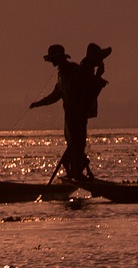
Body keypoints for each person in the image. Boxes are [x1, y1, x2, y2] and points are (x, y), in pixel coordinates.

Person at [30, 43, 108, 180]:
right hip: (71, 115)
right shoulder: (63, 73)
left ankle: (78, 171)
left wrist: (98, 77)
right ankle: (77, 171)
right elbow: (56, 95)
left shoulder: (73, 70)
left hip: (77, 114)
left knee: (77, 144)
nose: (52, 62)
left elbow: (85, 90)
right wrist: (38, 104)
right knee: (75, 144)